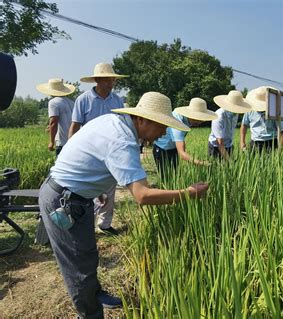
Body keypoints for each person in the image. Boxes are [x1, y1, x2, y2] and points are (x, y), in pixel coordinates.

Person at [38, 92, 209, 318]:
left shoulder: (113, 122)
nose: (164, 132)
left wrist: (93, 189)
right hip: (63, 200)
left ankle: (95, 293)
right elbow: (143, 196)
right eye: (161, 126)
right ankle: (90, 313)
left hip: (75, 196)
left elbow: (84, 154)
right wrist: (188, 193)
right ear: (143, 120)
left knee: (87, 254)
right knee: (78, 267)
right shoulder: (122, 139)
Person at [68, 62, 128, 235]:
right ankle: (86, 224)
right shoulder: (83, 99)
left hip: (109, 150)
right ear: (97, 80)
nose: (110, 83)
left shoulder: (117, 100)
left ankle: (105, 224)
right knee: (87, 189)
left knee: (109, 187)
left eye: (112, 80)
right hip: (88, 151)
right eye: (106, 80)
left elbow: (122, 124)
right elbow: (75, 125)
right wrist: (71, 148)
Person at [152, 97, 217, 177]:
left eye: (201, 119)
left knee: (176, 176)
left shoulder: (189, 120)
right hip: (162, 149)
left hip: (173, 148)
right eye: (197, 118)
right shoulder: (178, 121)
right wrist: (201, 163)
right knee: (167, 178)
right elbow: (182, 153)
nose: (199, 122)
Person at [240, 86, 283, 152]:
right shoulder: (249, 110)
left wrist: (280, 147)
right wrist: (242, 142)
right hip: (254, 142)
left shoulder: (275, 112)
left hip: (271, 142)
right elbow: (244, 125)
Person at [36, 79, 76, 156]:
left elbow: (54, 122)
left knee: (61, 166)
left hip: (62, 142)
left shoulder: (53, 102)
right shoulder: (71, 102)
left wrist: (51, 142)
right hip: (73, 141)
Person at [209, 90, 252, 159]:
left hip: (229, 145)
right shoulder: (219, 116)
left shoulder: (236, 113)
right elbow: (219, 143)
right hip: (216, 147)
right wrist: (229, 161)